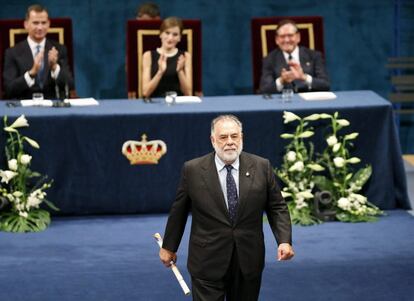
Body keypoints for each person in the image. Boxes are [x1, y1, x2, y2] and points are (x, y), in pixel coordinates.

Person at [159, 115, 294, 300]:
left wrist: (284, 240)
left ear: (242, 138)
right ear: (213, 140)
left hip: (248, 259)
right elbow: (179, 212)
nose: (230, 142)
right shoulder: (193, 170)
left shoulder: (262, 167)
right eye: (223, 137)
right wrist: (169, 246)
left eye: (234, 136)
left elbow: (277, 206)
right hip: (206, 259)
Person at [2, 4, 74, 100]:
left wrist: (55, 67)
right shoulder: (12, 53)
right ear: (26, 24)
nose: (40, 27)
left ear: (48, 24)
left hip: (53, 106)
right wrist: (31, 73)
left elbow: (70, 84)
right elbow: (9, 89)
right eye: (35, 23)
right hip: (23, 108)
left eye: (43, 23)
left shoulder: (59, 49)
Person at [259, 19, 330, 94]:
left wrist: (304, 77)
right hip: (282, 103)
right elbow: (264, 89)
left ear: (298, 37)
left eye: (290, 35)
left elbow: (326, 85)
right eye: (282, 36)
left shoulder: (314, 56)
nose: (286, 40)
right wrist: (281, 80)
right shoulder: (269, 59)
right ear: (277, 39)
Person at [141, 17, 192, 98]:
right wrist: (160, 72)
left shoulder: (185, 56)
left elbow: (188, 93)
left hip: (179, 104)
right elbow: (145, 93)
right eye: (167, 33)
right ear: (160, 34)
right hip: (154, 104)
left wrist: (180, 71)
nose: (170, 38)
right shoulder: (148, 55)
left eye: (175, 34)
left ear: (179, 38)